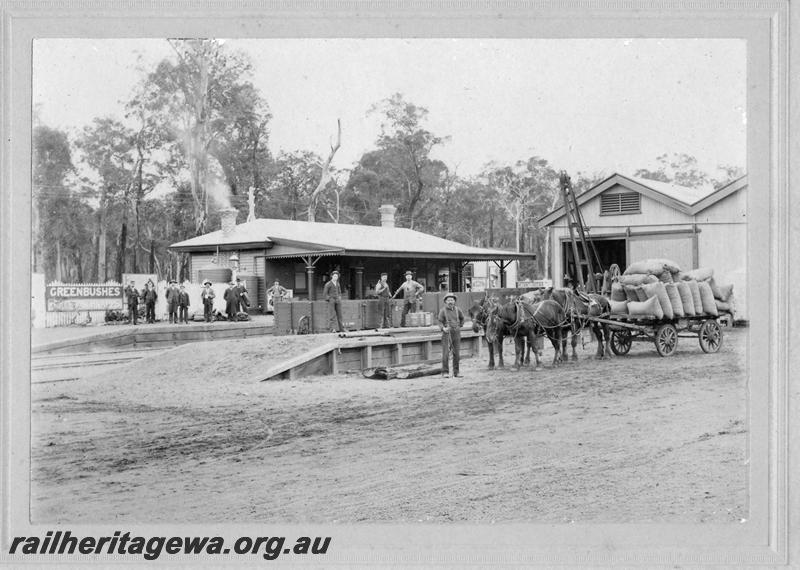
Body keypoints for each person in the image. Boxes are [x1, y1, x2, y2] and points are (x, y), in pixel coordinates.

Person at [438, 292, 465, 378]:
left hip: (456, 333)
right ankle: (445, 372)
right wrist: (443, 328)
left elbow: (462, 318)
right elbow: (439, 321)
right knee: (446, 353)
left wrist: (460, 325)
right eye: (448, 300)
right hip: (447, 333)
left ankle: (456, 372)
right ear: (445, 301)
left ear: (454, 301)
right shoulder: (442, 311)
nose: (450, 302)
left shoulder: (458, 310)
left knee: (456, 353)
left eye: (452, 300)